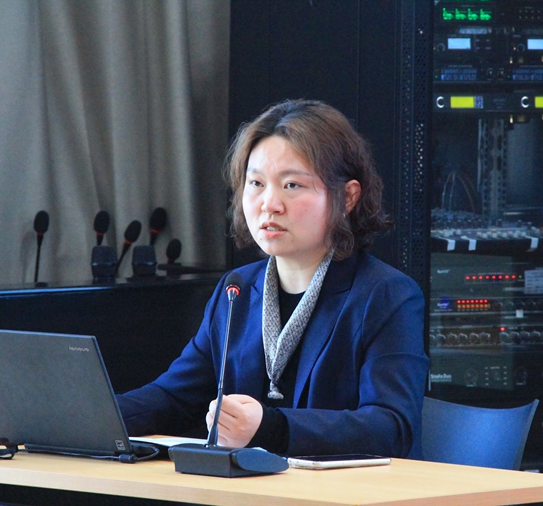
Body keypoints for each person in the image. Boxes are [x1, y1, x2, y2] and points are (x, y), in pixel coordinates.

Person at [117, 99, 428, 458]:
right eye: (256, 183)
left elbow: (391, 427)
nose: (270, 204)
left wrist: (271, 427)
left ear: (347, 197)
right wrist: (92, 413)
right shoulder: (236, 290)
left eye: (292, 185)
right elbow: (174, 398)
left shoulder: (386, 295)